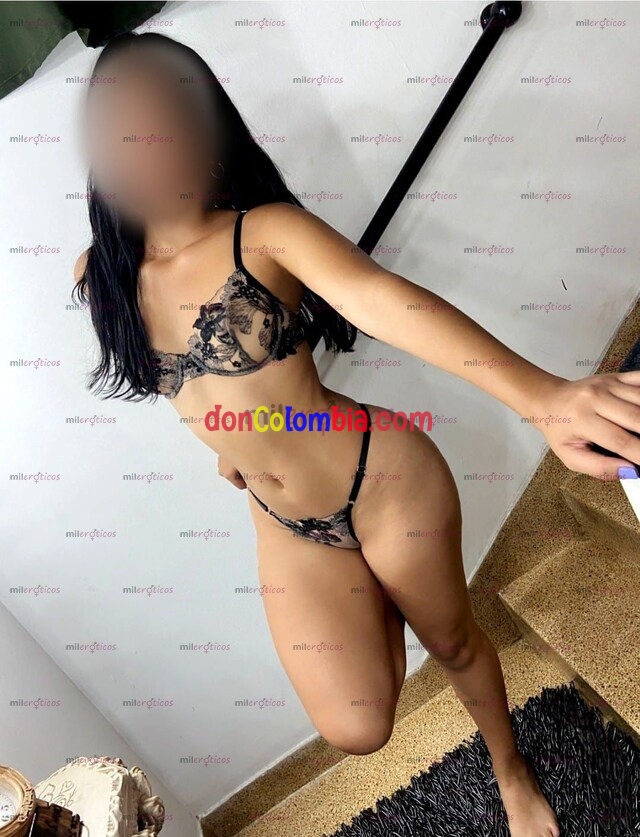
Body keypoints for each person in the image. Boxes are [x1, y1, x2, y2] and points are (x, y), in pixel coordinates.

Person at [74, 32, 640, 837]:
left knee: (454, 643)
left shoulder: (262, 233)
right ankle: (381, 588)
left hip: (380, 481)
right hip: (283, 519)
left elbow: (384, 300)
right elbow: (196, 388)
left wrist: (542, 396)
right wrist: (238, 446)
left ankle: (510, 767)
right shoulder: (99, 276)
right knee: (358, 724)